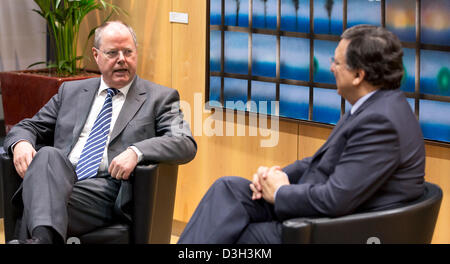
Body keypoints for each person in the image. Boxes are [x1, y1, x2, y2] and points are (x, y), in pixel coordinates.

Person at [178, 25, 425, 244]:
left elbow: (335, 199)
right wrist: (275, 176)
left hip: (334, 228)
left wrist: (282, 192)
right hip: (312, 206)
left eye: (337, 63)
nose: (331, 68)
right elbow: (319, 162)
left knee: (234, 234)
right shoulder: (373, 106)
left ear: (359, 75)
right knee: (228, 189)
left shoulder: (381, 122)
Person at [4, 21, 197, 244]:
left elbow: (185, 142)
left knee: (37, 200)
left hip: (106, 189)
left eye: (128, 52)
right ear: (96, 55)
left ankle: (38, 238)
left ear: (136, 53)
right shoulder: (71, 91)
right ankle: (42, 240)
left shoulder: (159, 98)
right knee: (47, 155)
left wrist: (137, 151)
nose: (122, 59)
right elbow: (28, 126)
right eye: (112, 53)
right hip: (61, 180)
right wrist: (20, 143)